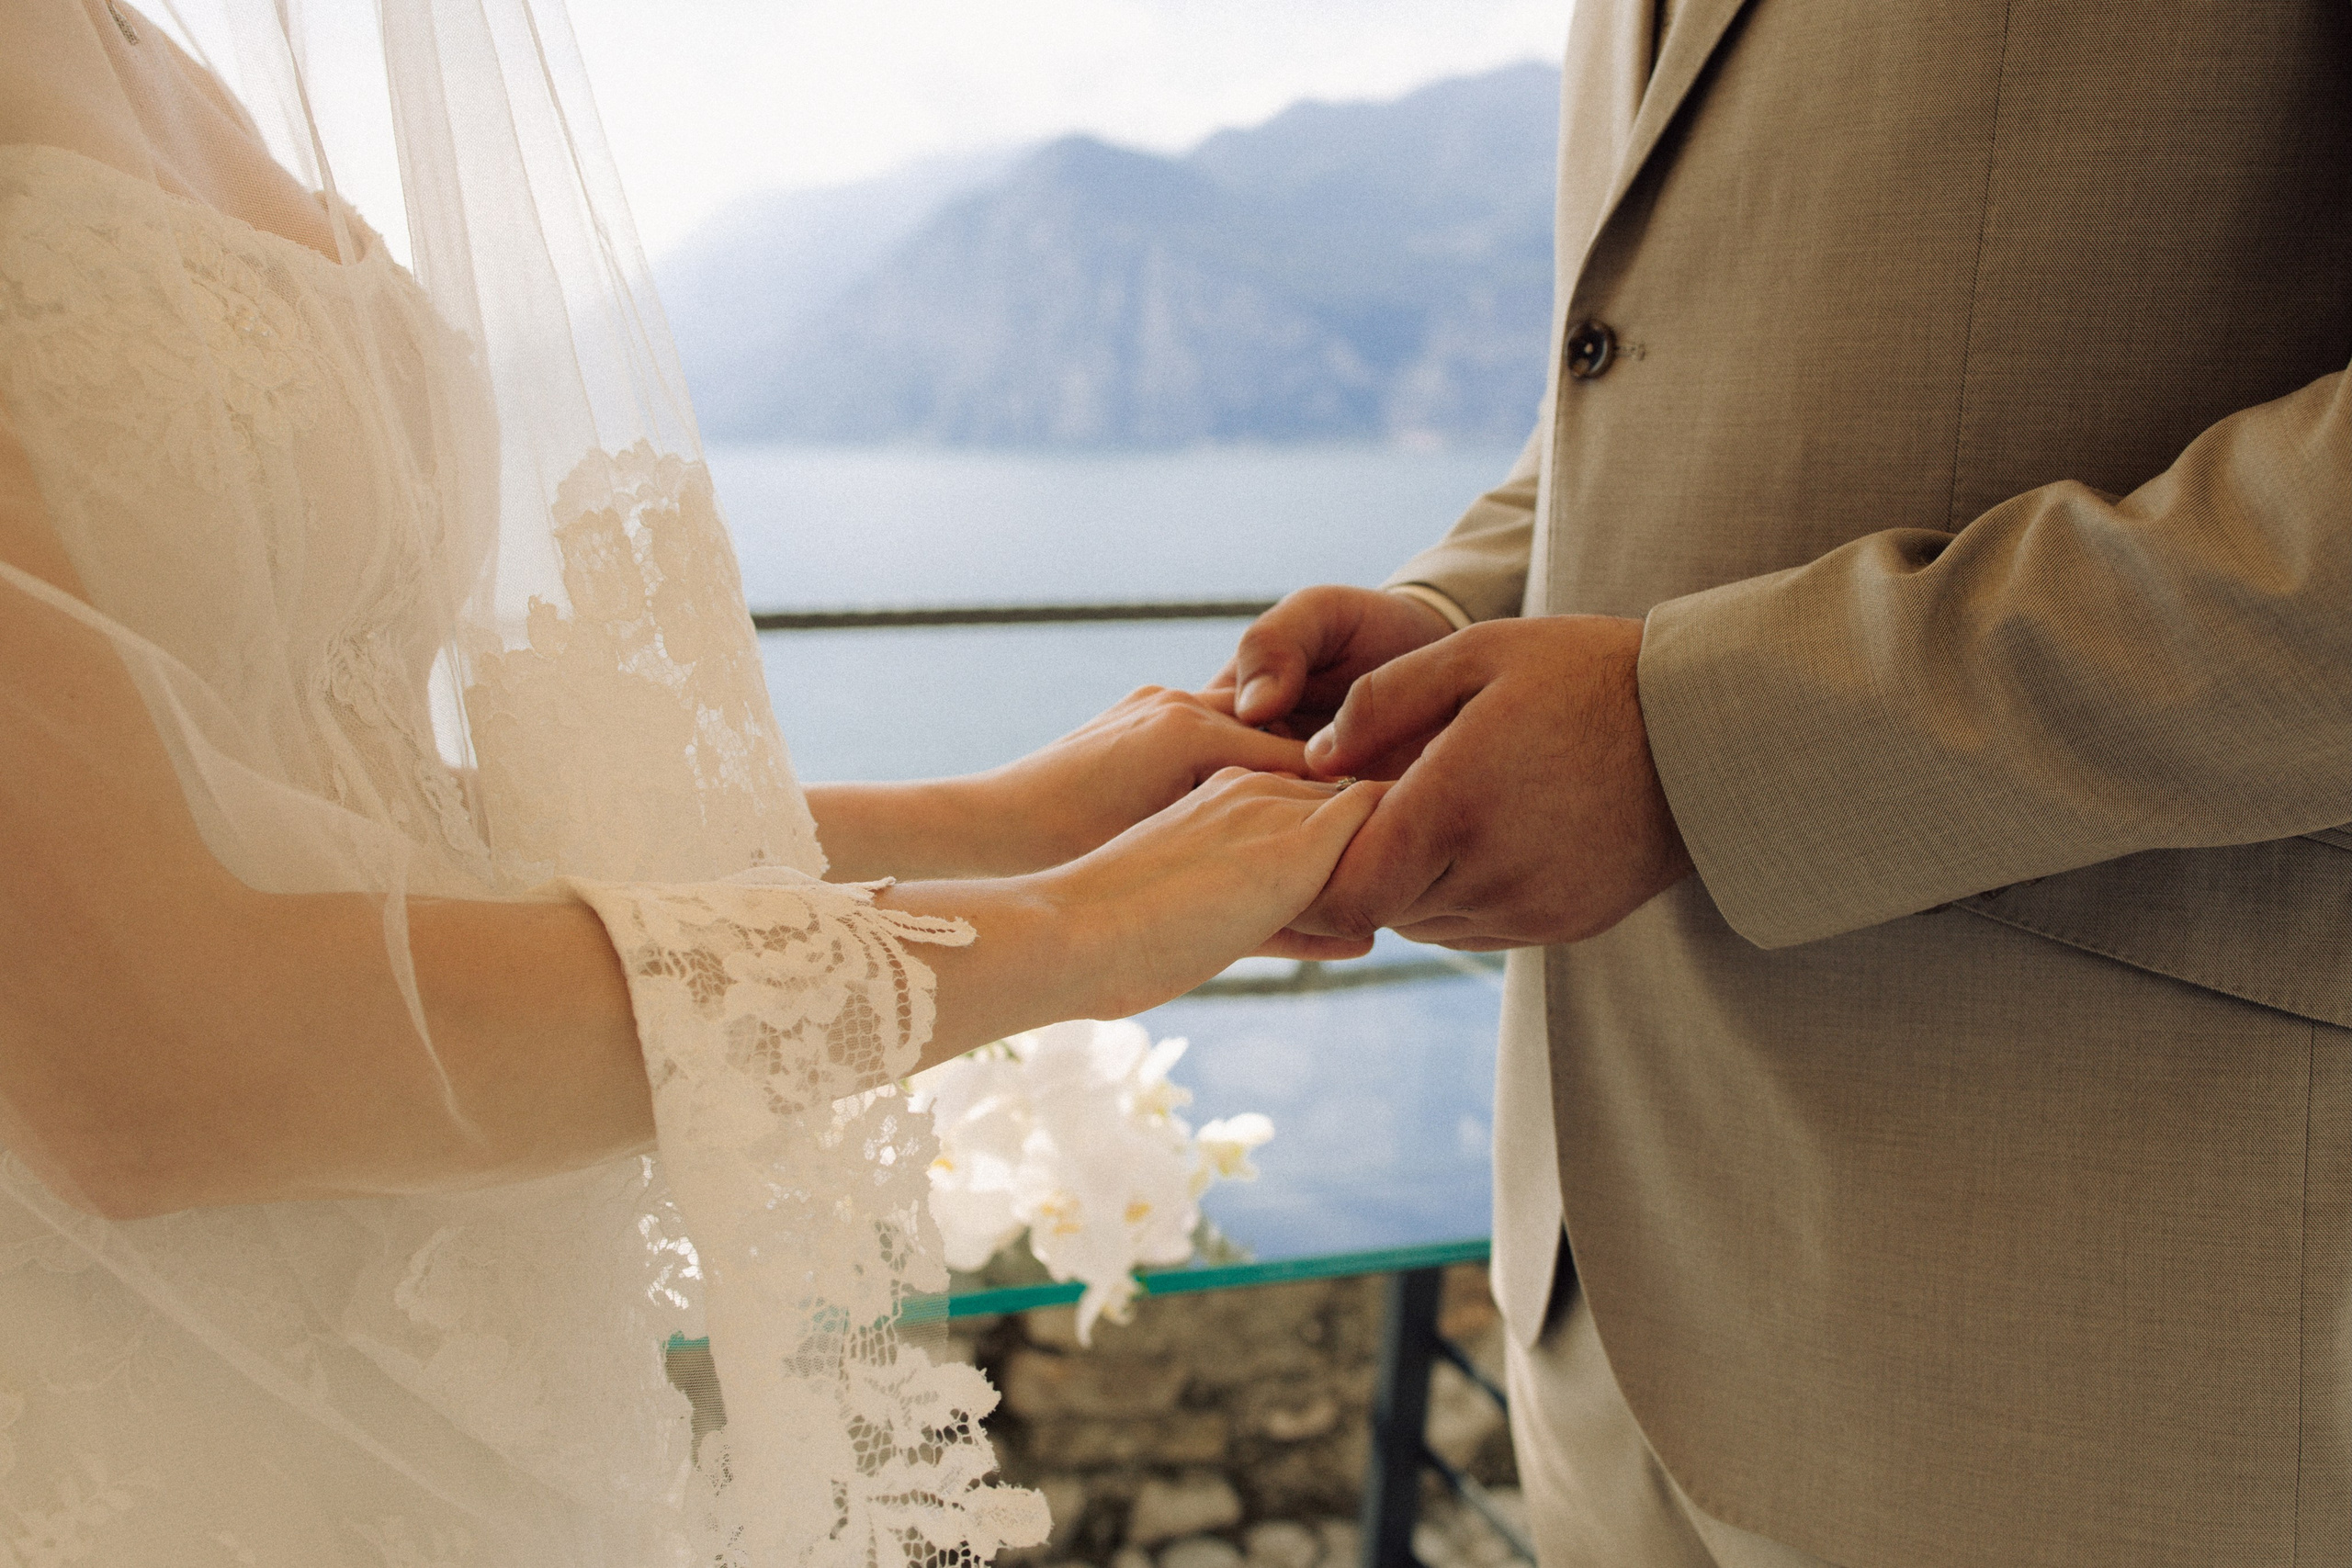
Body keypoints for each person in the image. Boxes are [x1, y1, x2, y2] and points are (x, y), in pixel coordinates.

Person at [0, 1, 1380, 1562]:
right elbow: (157, 1054)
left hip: (441, 1416)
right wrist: (1074, 935)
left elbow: (346, 817)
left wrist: (1016, 820)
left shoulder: (163, 52)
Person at [1217, 3, 2351, 1565]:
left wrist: (1702, 740)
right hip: (1603, 1316)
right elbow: (1642, 371)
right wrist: (1452, 626)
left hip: (2096, 1364)